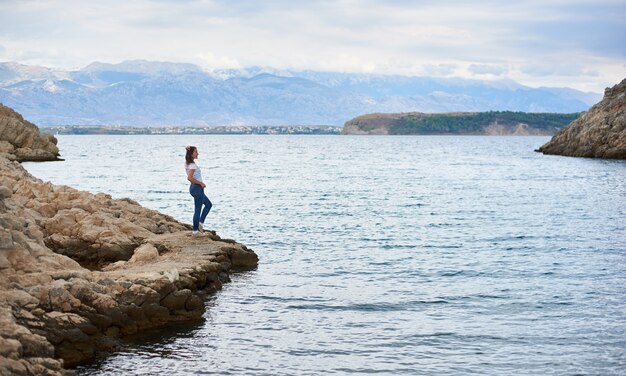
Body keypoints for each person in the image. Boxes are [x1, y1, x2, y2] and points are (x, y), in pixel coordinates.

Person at [185, 145, 212, 234]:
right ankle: (195, 231)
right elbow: (189, 178)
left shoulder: (188, 163)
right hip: (197, 188)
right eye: (196, 152)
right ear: (192, 154)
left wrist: (189, 149)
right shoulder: (192, 165)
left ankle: (200, 223)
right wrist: (201, 183)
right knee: (197, 209)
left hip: (194, 188)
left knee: (208, 204)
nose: (198, 153)